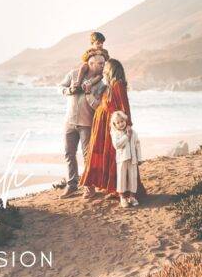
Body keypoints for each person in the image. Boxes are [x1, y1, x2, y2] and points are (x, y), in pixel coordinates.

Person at [80, 58, 146, 199]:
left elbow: (124, 105)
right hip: (103, 125)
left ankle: (120, 190)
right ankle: (113, 188)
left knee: (115, 157)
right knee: (107, 156)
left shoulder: (118, 84)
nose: (103, 69)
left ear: (111, 70)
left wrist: (128, 125)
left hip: (111, 125)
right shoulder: (110, 85)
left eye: (106, 67)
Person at [58, 54, 107, 198]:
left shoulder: (101, 85)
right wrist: (68, 90)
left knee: (88, 156)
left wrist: (88, 92)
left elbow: (98, 106)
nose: (103, 66)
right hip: (69, 122)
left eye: (103, 64)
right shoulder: (73, 74)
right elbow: (60, 87)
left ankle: (89, 187)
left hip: (87, 123)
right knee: (69, 154)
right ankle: (72, 185)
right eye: (100, 64)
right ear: (91, 63)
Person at [110, 110, 142, 208]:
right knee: (122, 178)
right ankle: (122, 198)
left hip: (132, 158)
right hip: (122, 159)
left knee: (133, 177)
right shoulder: (115, 133)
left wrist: (139, 158)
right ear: (114, 124)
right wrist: (126, 136)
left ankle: (132, 197)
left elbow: (137, 145)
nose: (121, 124)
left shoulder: (133, 132)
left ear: (125, 120)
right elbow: (117, 145)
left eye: (122, 121)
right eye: (118, 122)